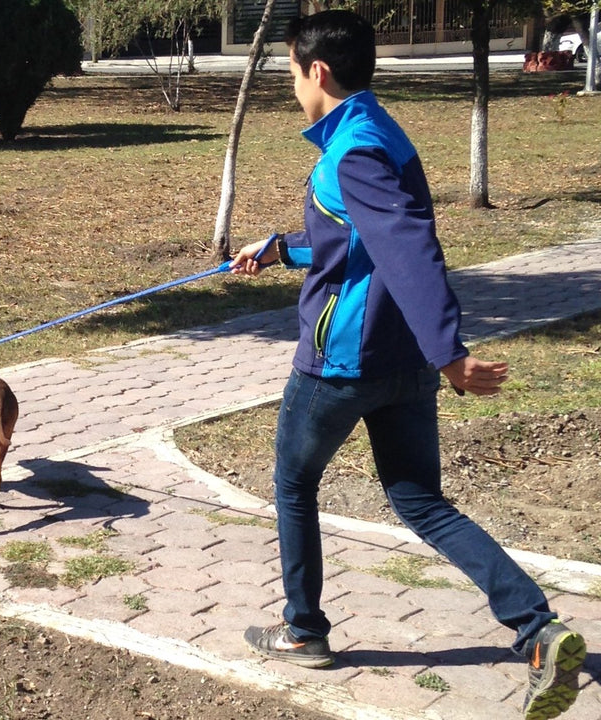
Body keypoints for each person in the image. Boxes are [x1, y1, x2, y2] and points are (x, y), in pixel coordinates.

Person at [230, 10, 585, 720]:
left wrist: (450, 352)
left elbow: (410, 248)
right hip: (402, 364)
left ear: (317, 71)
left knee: (293, 483)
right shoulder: (380, 132)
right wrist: (284, 250)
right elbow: (359, 238)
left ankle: (304, 635)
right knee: (421, 500)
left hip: (342, 363)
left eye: (291, 73)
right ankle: (539, 633)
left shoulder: (351, 151)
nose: (292, 85)